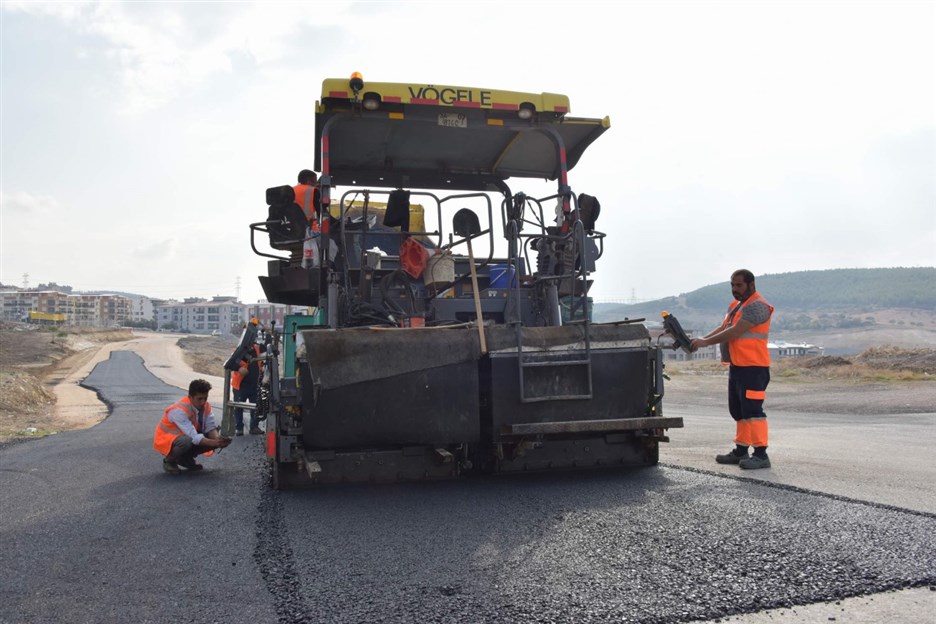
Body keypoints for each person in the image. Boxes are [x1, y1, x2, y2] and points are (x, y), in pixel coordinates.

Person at [690, 269, 774, 469]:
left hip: (754, 368)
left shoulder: (758, 306)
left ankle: (761, 454)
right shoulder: (736, 306)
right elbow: (724, 328)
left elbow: (735, 331)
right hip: (738, 367)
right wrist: (701, 341)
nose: (734, 289)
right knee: (739, 411)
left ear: (751, 285)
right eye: (732, 285)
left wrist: (705, 342)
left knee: (753, 411)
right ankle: (741, 451)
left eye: (739, 285)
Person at [153, 378, 230, 474]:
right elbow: (194, 437)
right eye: (199, 399)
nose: (203, 402)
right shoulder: (179, 410)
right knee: (187, 441)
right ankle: (169, 461)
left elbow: (210, 427)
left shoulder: (206, 406)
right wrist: (215, 443)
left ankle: (184, 459)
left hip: (187, 437)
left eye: (205, 398)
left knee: (212, 437)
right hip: (167, 441)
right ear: (190, 397)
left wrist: (219, 440)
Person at [231, 335, 267, 435]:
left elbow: (267, 347)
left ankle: (254, 427)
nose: (252, 344)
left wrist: (268, 334)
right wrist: (239, 369)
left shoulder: (257, 348)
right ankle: (239, 428)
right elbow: (229, 364)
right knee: (238, 406)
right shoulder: (238, 351)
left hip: (254, 384)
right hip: (240, 385)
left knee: (256, 406)